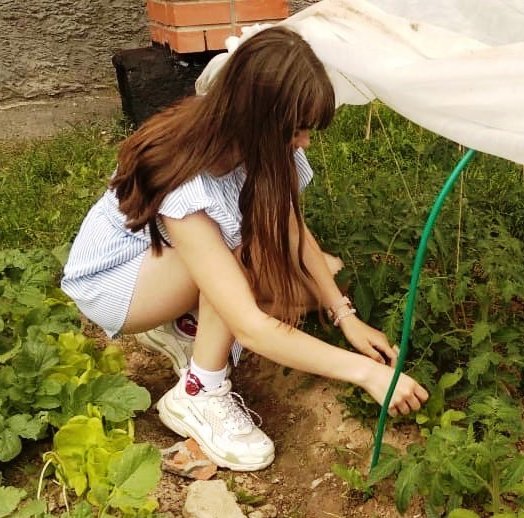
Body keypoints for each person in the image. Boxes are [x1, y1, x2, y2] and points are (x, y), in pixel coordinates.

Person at [61, 26, 428, 472]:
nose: (305, 142)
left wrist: (343, 314)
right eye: (297, 130)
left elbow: (292, 227)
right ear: (257, 119)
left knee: (323, 272)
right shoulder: (187, 179)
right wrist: (367, 372)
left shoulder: (264, 145)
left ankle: (188, 324)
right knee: (240, 278)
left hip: (170, 263)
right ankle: (198, 394)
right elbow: (251, 328)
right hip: (116, 283)